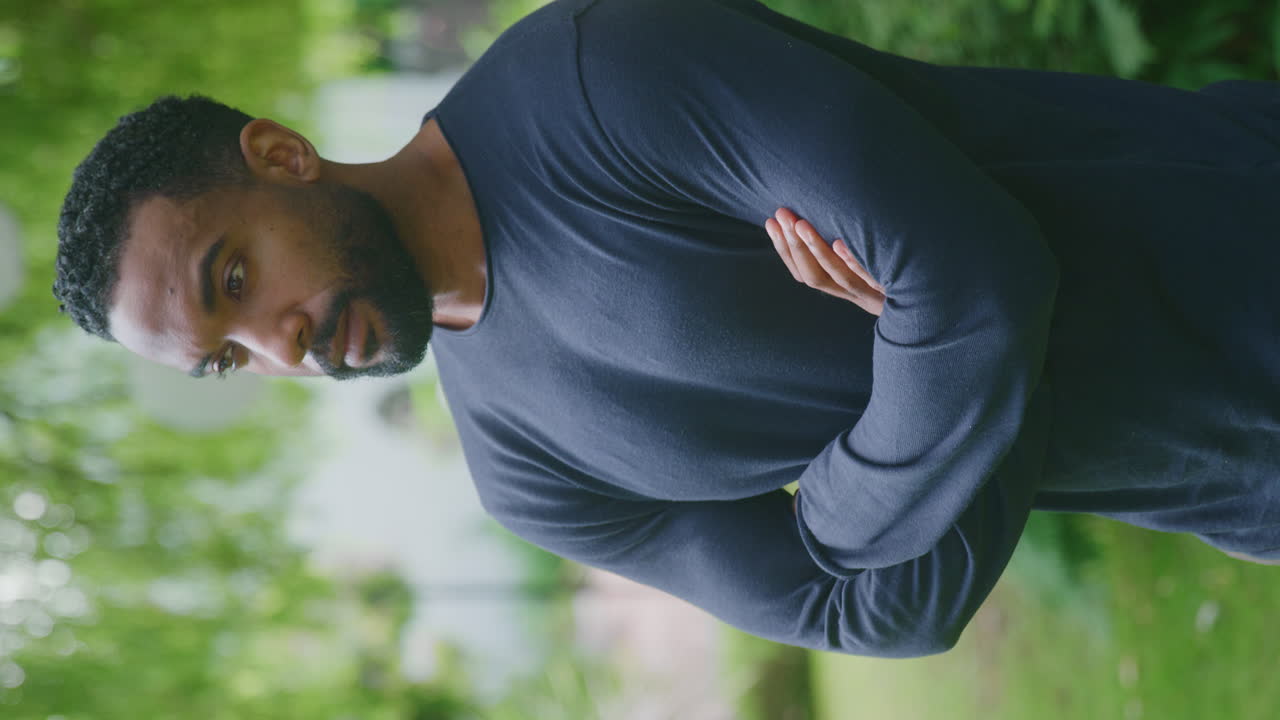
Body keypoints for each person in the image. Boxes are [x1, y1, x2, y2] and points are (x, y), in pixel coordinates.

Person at [53, 0, 1280, 657]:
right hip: (1249, 499)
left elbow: (979, 276)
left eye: (232, 279)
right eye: (228, 359)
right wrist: (941, 356)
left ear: (279, 155)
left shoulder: (597, 74)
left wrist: (843, 504)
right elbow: (884, 615)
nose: (280, 348)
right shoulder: (526, 478)